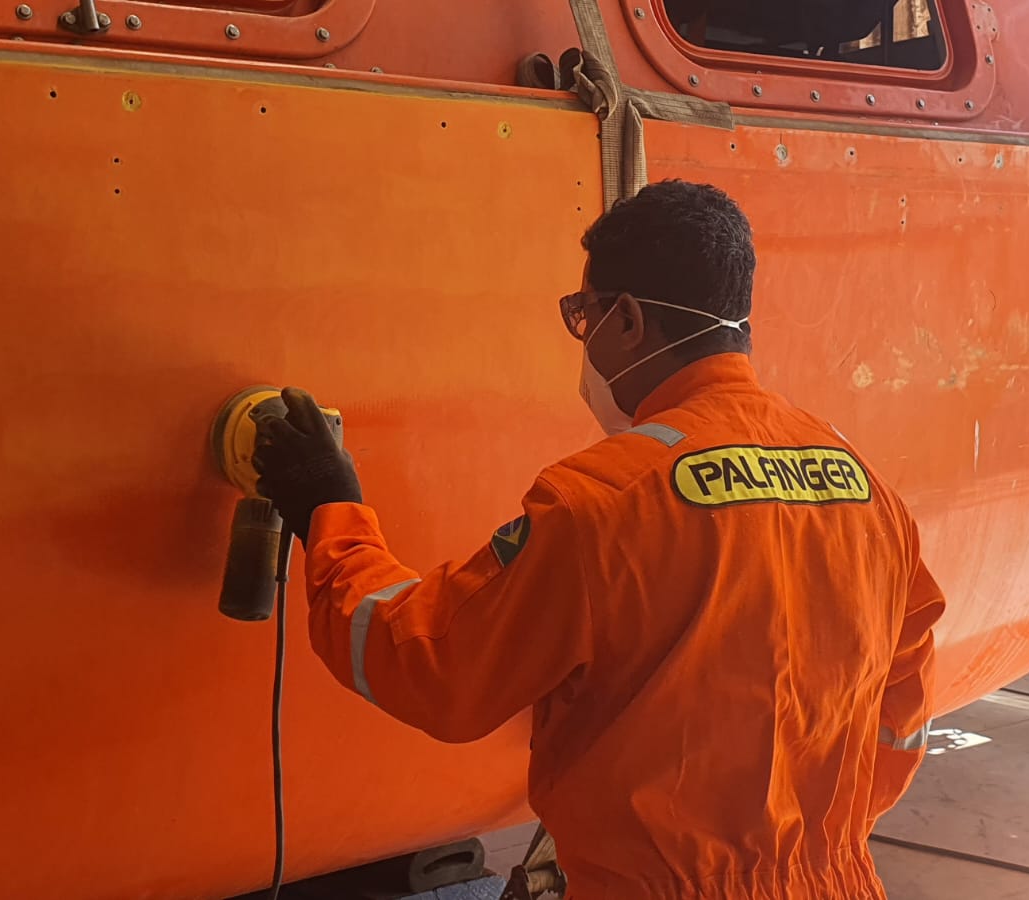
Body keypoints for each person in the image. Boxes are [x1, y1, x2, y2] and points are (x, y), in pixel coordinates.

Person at [253, 180, 946, 900]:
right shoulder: (863, 486)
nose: (584, 339)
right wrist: (800, 844)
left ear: (628, 322)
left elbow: (434, 668)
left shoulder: (603, 501)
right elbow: (902, 707)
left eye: (582, 315)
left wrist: (329, 509)